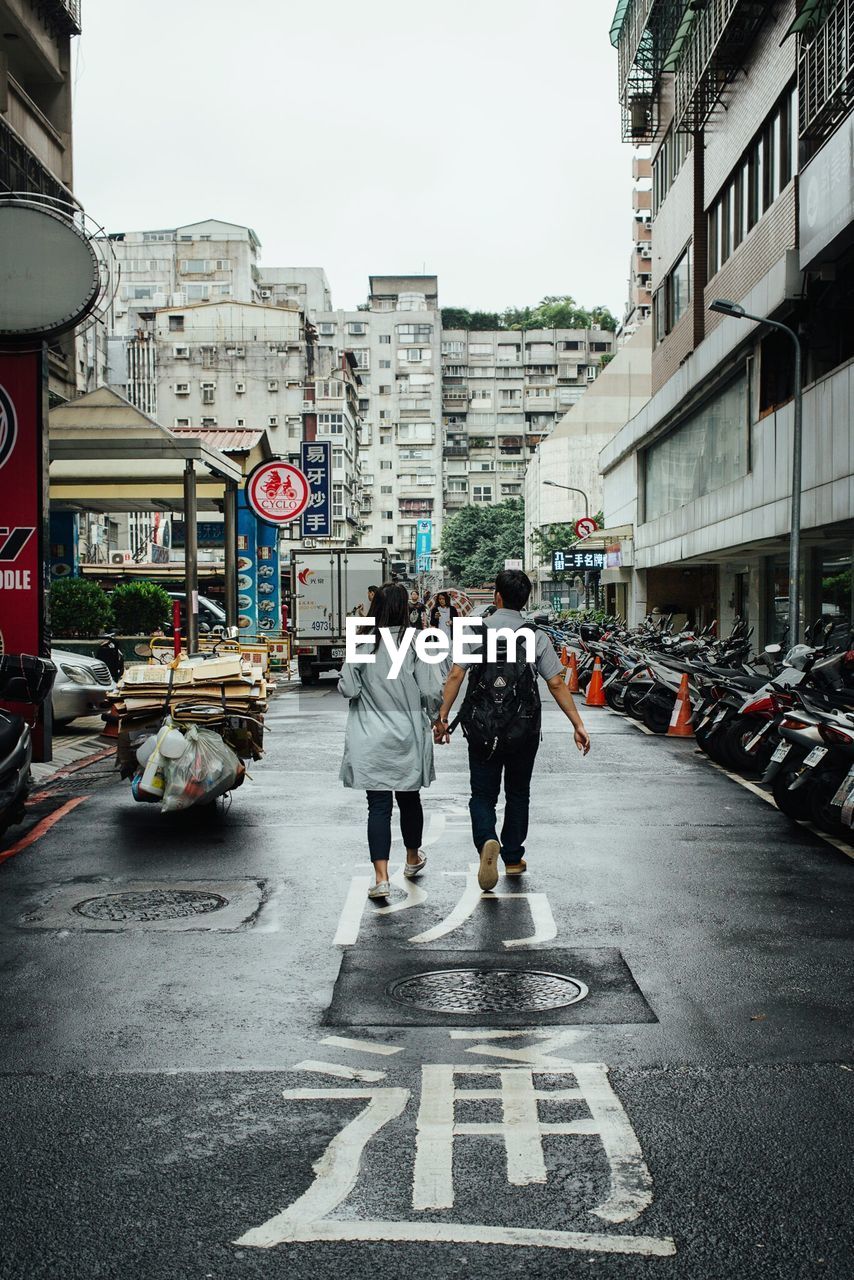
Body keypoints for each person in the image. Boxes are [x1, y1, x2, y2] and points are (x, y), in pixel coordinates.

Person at [433, 568, 590, 891]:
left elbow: (455, 676)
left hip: (482, 728)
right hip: (524, 729)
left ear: (497, 596)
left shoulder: (476, 631)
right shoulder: (535, 636)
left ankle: (487, 840)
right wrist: (578, 724)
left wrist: (443, 717)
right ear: (525, 600)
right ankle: (514, 857)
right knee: (518, 793)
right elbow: (557, 683)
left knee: (483, 795)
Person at [339, 582, 441, 900]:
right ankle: (412, 858)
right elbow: (429, 691)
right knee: (409, 799)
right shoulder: (415, 642)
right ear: (404, 609)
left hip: (371, 736)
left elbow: (348, 688)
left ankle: (381, 877)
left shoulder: (364, 642)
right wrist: (437, 718)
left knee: (378, 807)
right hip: (407, 734)